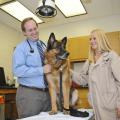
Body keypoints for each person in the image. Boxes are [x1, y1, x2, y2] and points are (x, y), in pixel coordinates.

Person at [71, 29, 120, 120]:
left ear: (101, 39)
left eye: (94, 38)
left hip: (111, 107)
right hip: (95, 106)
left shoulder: (111, 56)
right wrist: (69, 72)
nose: (92, 41)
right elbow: (82, 79)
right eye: (90, 39)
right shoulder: (89, 61)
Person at [12, 17, 51, 119]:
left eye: (35, 28)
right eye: (30, 30)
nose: (34, 32)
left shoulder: (44, 46)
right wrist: (41, 70)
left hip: (47, 94)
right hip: (29, 95)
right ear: (24, 33)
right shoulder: (20, 48)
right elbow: (17, 70)